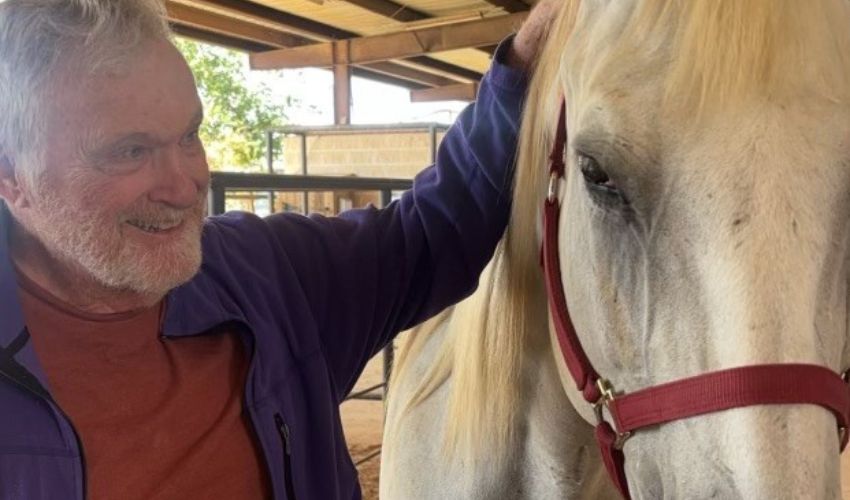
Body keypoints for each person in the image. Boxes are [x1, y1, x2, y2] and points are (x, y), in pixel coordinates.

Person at [0, 0, 558, 498]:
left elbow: (432, 233)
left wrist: (534, 50)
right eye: (129, 151)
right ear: (12, 177)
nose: (185, 184)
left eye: (190, 136)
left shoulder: (267, 278)